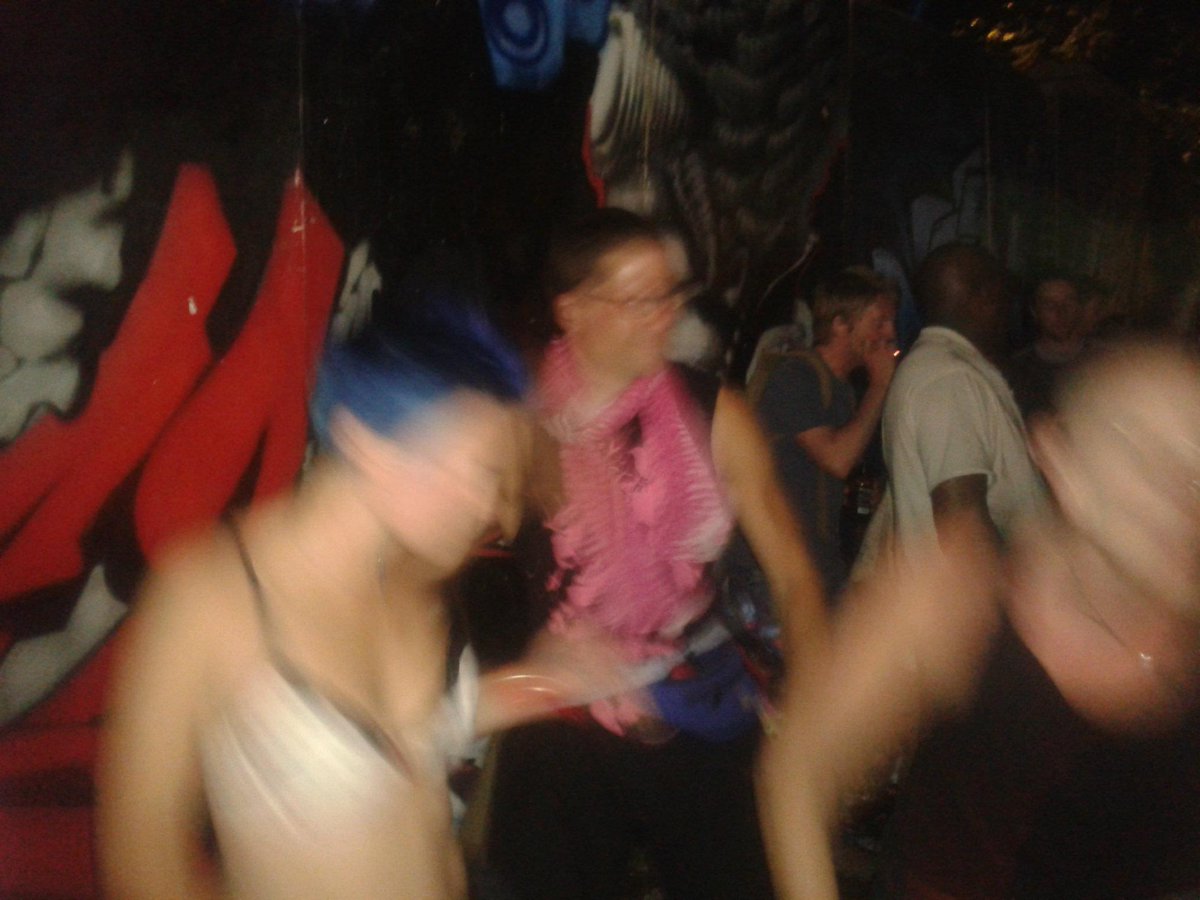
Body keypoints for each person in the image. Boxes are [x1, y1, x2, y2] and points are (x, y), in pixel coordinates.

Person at [96, 299, 621, 899]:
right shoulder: (206, 595)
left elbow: (410, 740)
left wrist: (545, 680)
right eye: (479, 471)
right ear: (367, 442)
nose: (490, 510)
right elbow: (142, 857)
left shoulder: (409, 571)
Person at [760, 339, 1200, 899]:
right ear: (1061, 459)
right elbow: (797, 772)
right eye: (1142, 451)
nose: (1181, 486)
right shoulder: (964, 589)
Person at [483, 208, 827, 899]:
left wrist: (816, 717)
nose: (666, 316)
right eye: (640, 300)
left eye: (670, 295)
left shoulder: (716, 412)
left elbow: (793, 574)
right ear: (572, 310)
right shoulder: (521, 421)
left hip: (698, 704)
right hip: (562, 716)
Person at [744, 266, 897, 601]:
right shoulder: (796, 376)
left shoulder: (843, 390)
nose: (889, 333)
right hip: (773, 571)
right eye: (879, 322)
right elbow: (837, 458)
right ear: (840, 324)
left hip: (818, 564)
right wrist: (881, 385)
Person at [1005, 275, 1087, 419]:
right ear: (1035, 311)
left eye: (1068, 302)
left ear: (1080, 307)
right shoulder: (1016, 371)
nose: (1060, 312)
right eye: (1049, 305)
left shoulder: (1105, 362)